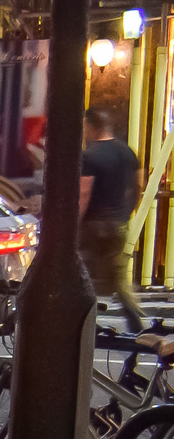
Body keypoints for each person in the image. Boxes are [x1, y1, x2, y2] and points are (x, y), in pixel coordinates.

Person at [79, 104, 147, 335]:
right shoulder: (128, 152)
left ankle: (88, 321)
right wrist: (127, 212)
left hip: (93, 224)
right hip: (119, 222)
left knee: (84, 273)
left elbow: (84, 193)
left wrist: (75, 221)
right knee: (117, 275)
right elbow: (138, 185)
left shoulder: (90, 156)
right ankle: (133, 315)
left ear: (92, 126)